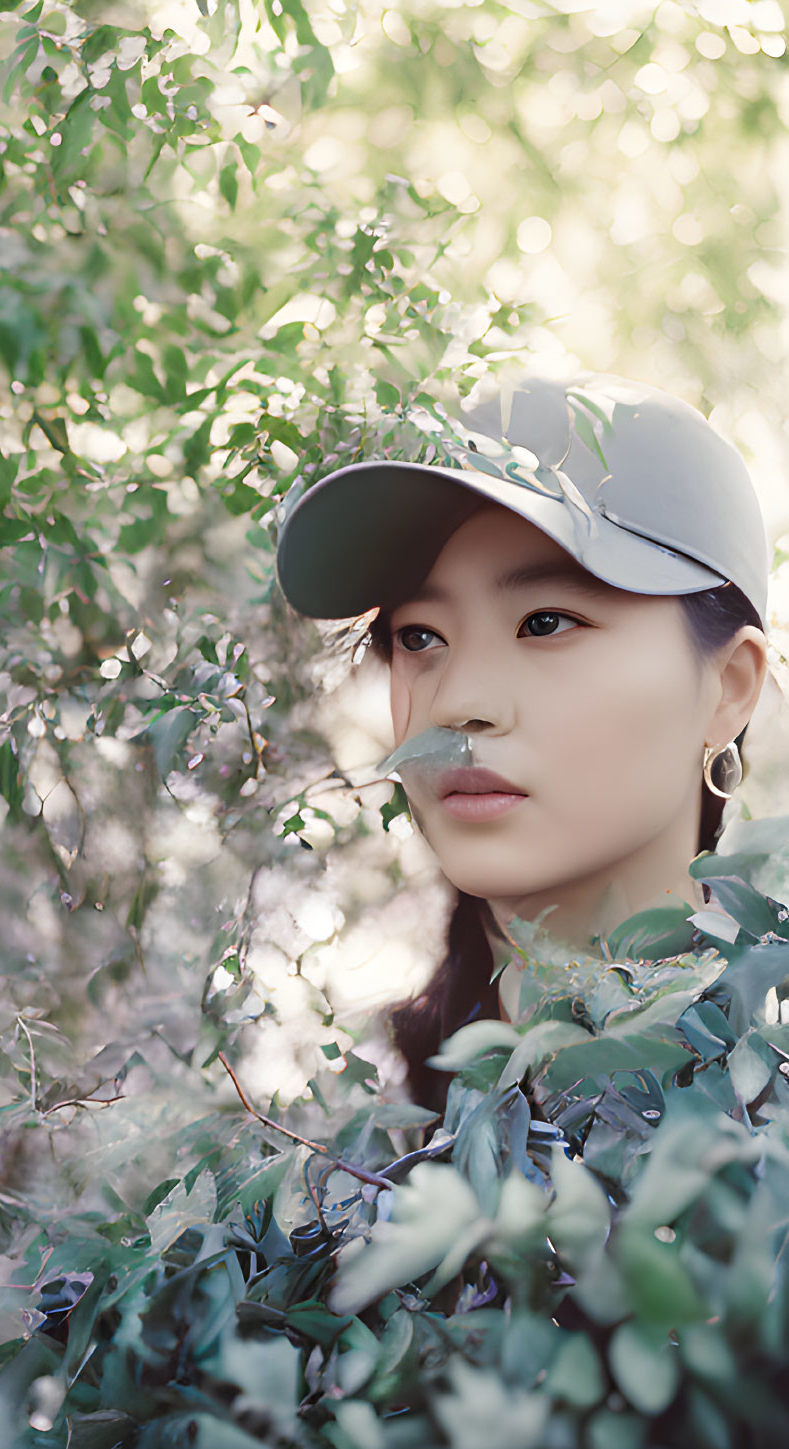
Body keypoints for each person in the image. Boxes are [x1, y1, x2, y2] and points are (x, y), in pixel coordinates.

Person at [274, 374, 771, 1107]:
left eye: (544, 622)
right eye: (420, 637)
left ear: (727, 685)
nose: (457, 702)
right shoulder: (346, 1142)